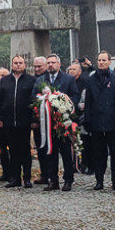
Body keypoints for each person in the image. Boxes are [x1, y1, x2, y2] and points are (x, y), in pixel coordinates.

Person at [35, 54, 79, 192]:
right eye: (48, 63)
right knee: (50, 153)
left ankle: (68, 180)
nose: (50, 65)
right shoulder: (41, 80)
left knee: (66, 152)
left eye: (53, 62)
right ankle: (53, 180)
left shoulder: (68, 79)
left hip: (63, 121)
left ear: (59, 64)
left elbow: (75, 97)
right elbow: (33, 96)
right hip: (47, 122)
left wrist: (63, 102)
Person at [82, 51, 115, 191]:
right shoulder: (90, 80)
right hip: (96, 122)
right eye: (99, 60)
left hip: (113, 123)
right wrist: (87, 121)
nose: (101, 62)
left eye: (104, 60)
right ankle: (99, 181)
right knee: (98, 154)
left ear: (109, 62)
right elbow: (88, 102)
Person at [0, 54, 36, 188]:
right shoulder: (5, 81)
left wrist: (34, 119)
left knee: (25, 151)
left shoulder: (31, 80)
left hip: (24, 121)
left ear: (24, 65)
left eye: (20, 63)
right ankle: (15, 178)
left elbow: (35, 101)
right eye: (15, 63)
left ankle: (27, 178)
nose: (18, 65)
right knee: (13, 150)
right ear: (12, 65)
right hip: (9, 121)